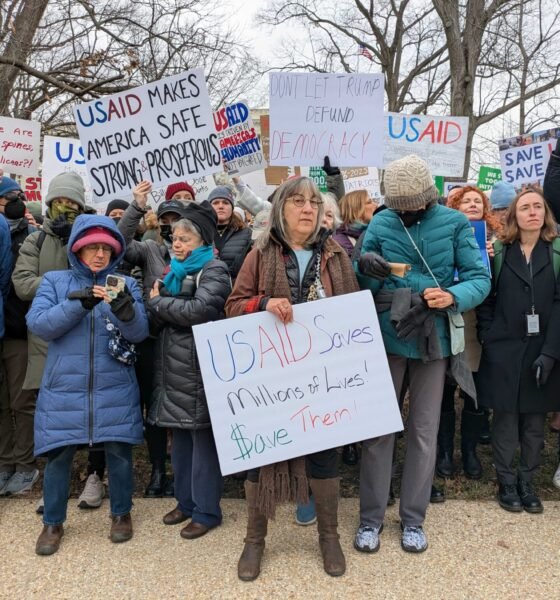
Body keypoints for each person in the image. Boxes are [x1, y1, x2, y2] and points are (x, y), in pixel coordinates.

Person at [226, 176, 359, 580]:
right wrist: (264, 303)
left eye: (314, 202)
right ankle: (254, 540)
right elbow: (232, 306)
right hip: (270, 380)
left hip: (321, 380)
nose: (307, 208)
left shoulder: (336, 256)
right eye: (297, 200)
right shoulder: (258, 254)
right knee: (260, 455)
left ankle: (329, 536)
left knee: (324, 455)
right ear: (280, 208)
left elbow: (352, 315)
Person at [356, 155, 490, 553]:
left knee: (424, 430)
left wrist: (452, 296)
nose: (402, 211)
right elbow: (360, 275)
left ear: (426, 198)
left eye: (408, 204)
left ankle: (413, 519)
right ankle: (370, 518)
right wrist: (365, 264)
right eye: (396, 205)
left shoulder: (454, 223)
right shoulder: (381, 221)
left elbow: (479, 278)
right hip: (389, 332)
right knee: (379, 429)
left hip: (433, 336)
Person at [27, 215, 149, 555]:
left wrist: (126, 310)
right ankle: (52, 521)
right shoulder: (55, 282)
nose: (99, 254)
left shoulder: (125, 283)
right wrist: (76, 305)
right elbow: (39, 324)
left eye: (106, 248)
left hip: (115, 385)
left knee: (120, 453)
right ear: (77, 249)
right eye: (92, 247)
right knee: (59, 454)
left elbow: (139, 333)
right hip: (64, 386)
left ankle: (121, 514)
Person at [11, 172, 108, 512]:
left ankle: (94, 477)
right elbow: (23, 284)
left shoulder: (93, 238)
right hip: (47, 341)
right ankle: (57, 485)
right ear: (50, 203)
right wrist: (67, 290)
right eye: (59, 202)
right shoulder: (35, 241)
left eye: (72, 203)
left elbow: (105, 277)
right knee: (55, 416)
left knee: (95, 409)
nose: (65, 208)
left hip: (89, 339)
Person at [148, 201, 231, 539]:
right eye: (174, 238)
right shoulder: (174, 272)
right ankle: (184, 501)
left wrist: (158, 304)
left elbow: (201, 310)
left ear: (203, 242)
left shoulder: (214, 269)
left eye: (185, 239)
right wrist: (157, 307)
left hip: (200, 369)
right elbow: (158, 316)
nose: (177, 244)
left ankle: (207, 510)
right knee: (179, 439)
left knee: (203, 443)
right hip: (173, 367)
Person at [477, 186, 560, 514]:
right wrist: (488, 336)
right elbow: (487, 297)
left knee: (534, 424)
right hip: (504, 349)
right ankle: (506, 480)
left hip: (543, 349)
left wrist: (551, 352)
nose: (533, 212)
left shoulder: (555, 254)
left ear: (546, 214)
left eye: (538, 207)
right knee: (505, 420)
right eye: (525, 207)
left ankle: (527, 480)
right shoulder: (499, 251)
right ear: (514, 215)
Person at [117, 182, 195, 497]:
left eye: (179, 221)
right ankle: (157, 470)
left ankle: (183, 472)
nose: (172, 227)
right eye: (167, 220)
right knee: (155, 408)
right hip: (152, 339)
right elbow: (119, 244)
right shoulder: (150, 250)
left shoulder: (200, 257)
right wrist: (136, 206)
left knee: (183, 409)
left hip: (185, 341)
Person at [434, 185, 501, 480]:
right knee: (445, 388)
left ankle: (470, 451)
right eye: (466, 201)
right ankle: (445, 451)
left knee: (475, 390)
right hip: (447, 317)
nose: (473, 204)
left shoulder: (497, 241)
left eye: (478, 201)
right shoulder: (442, 236)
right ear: (454, 208)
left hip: (476, 323)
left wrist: (494, 257)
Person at [0, 176, 39, 495]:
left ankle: (25, 465)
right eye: (7, 196)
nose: (13, 201)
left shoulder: (33, 236)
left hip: (19, 331)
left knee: (21, 400)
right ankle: (5, 463)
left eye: (16, 195)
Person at [208, 186, 252, 281]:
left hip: (237, 289)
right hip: (208, 289)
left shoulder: (246, 234)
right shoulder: (201, 233)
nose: (220, 206)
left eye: (226, 203)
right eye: (215, 203)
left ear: (232, 208)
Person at [333, 190, 378, 256]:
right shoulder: (340, 243)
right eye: (369, 202)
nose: (376, 205)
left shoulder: (374, 232)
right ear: (356, 209)